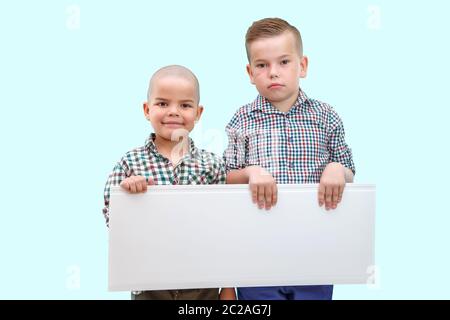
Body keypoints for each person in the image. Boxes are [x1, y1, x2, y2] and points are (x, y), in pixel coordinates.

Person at [224, 18, 355, 300]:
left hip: (315, 253)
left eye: (284, 62)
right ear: (250, 72)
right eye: (262, 65)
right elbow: (225, 177)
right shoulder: (241, 119)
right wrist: (250, 172)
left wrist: (336, 168)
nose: (273, 73)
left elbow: (349, 173)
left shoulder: (326, 116)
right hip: (257, 254)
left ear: (302, 66)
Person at [103, 65, 236, 300]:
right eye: (163, 103)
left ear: (198, 113)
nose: (174, 112)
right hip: (149, 282)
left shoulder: (212, 164)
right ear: (147, 109)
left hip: (201, 282)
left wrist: (227, 287)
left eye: (185, 105)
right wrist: (127, 196)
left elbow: (225, 230)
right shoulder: (130, 163)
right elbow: (112, 218)